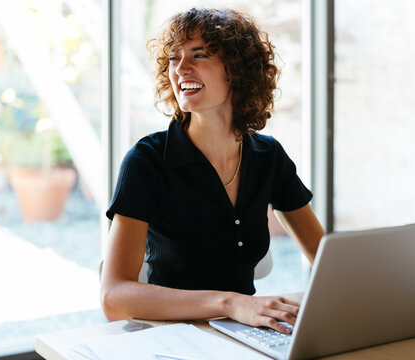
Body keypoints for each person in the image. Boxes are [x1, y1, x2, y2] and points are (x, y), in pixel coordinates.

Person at [100, 8, 325, 334]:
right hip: (168, 339)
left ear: (237, 69)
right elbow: (113, 297)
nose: (180, 68)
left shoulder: (268, 156)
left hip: (247, 335)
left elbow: (326, 260)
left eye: (199, 54)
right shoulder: (146, 161)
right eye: (174, 58)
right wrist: (230, 303)